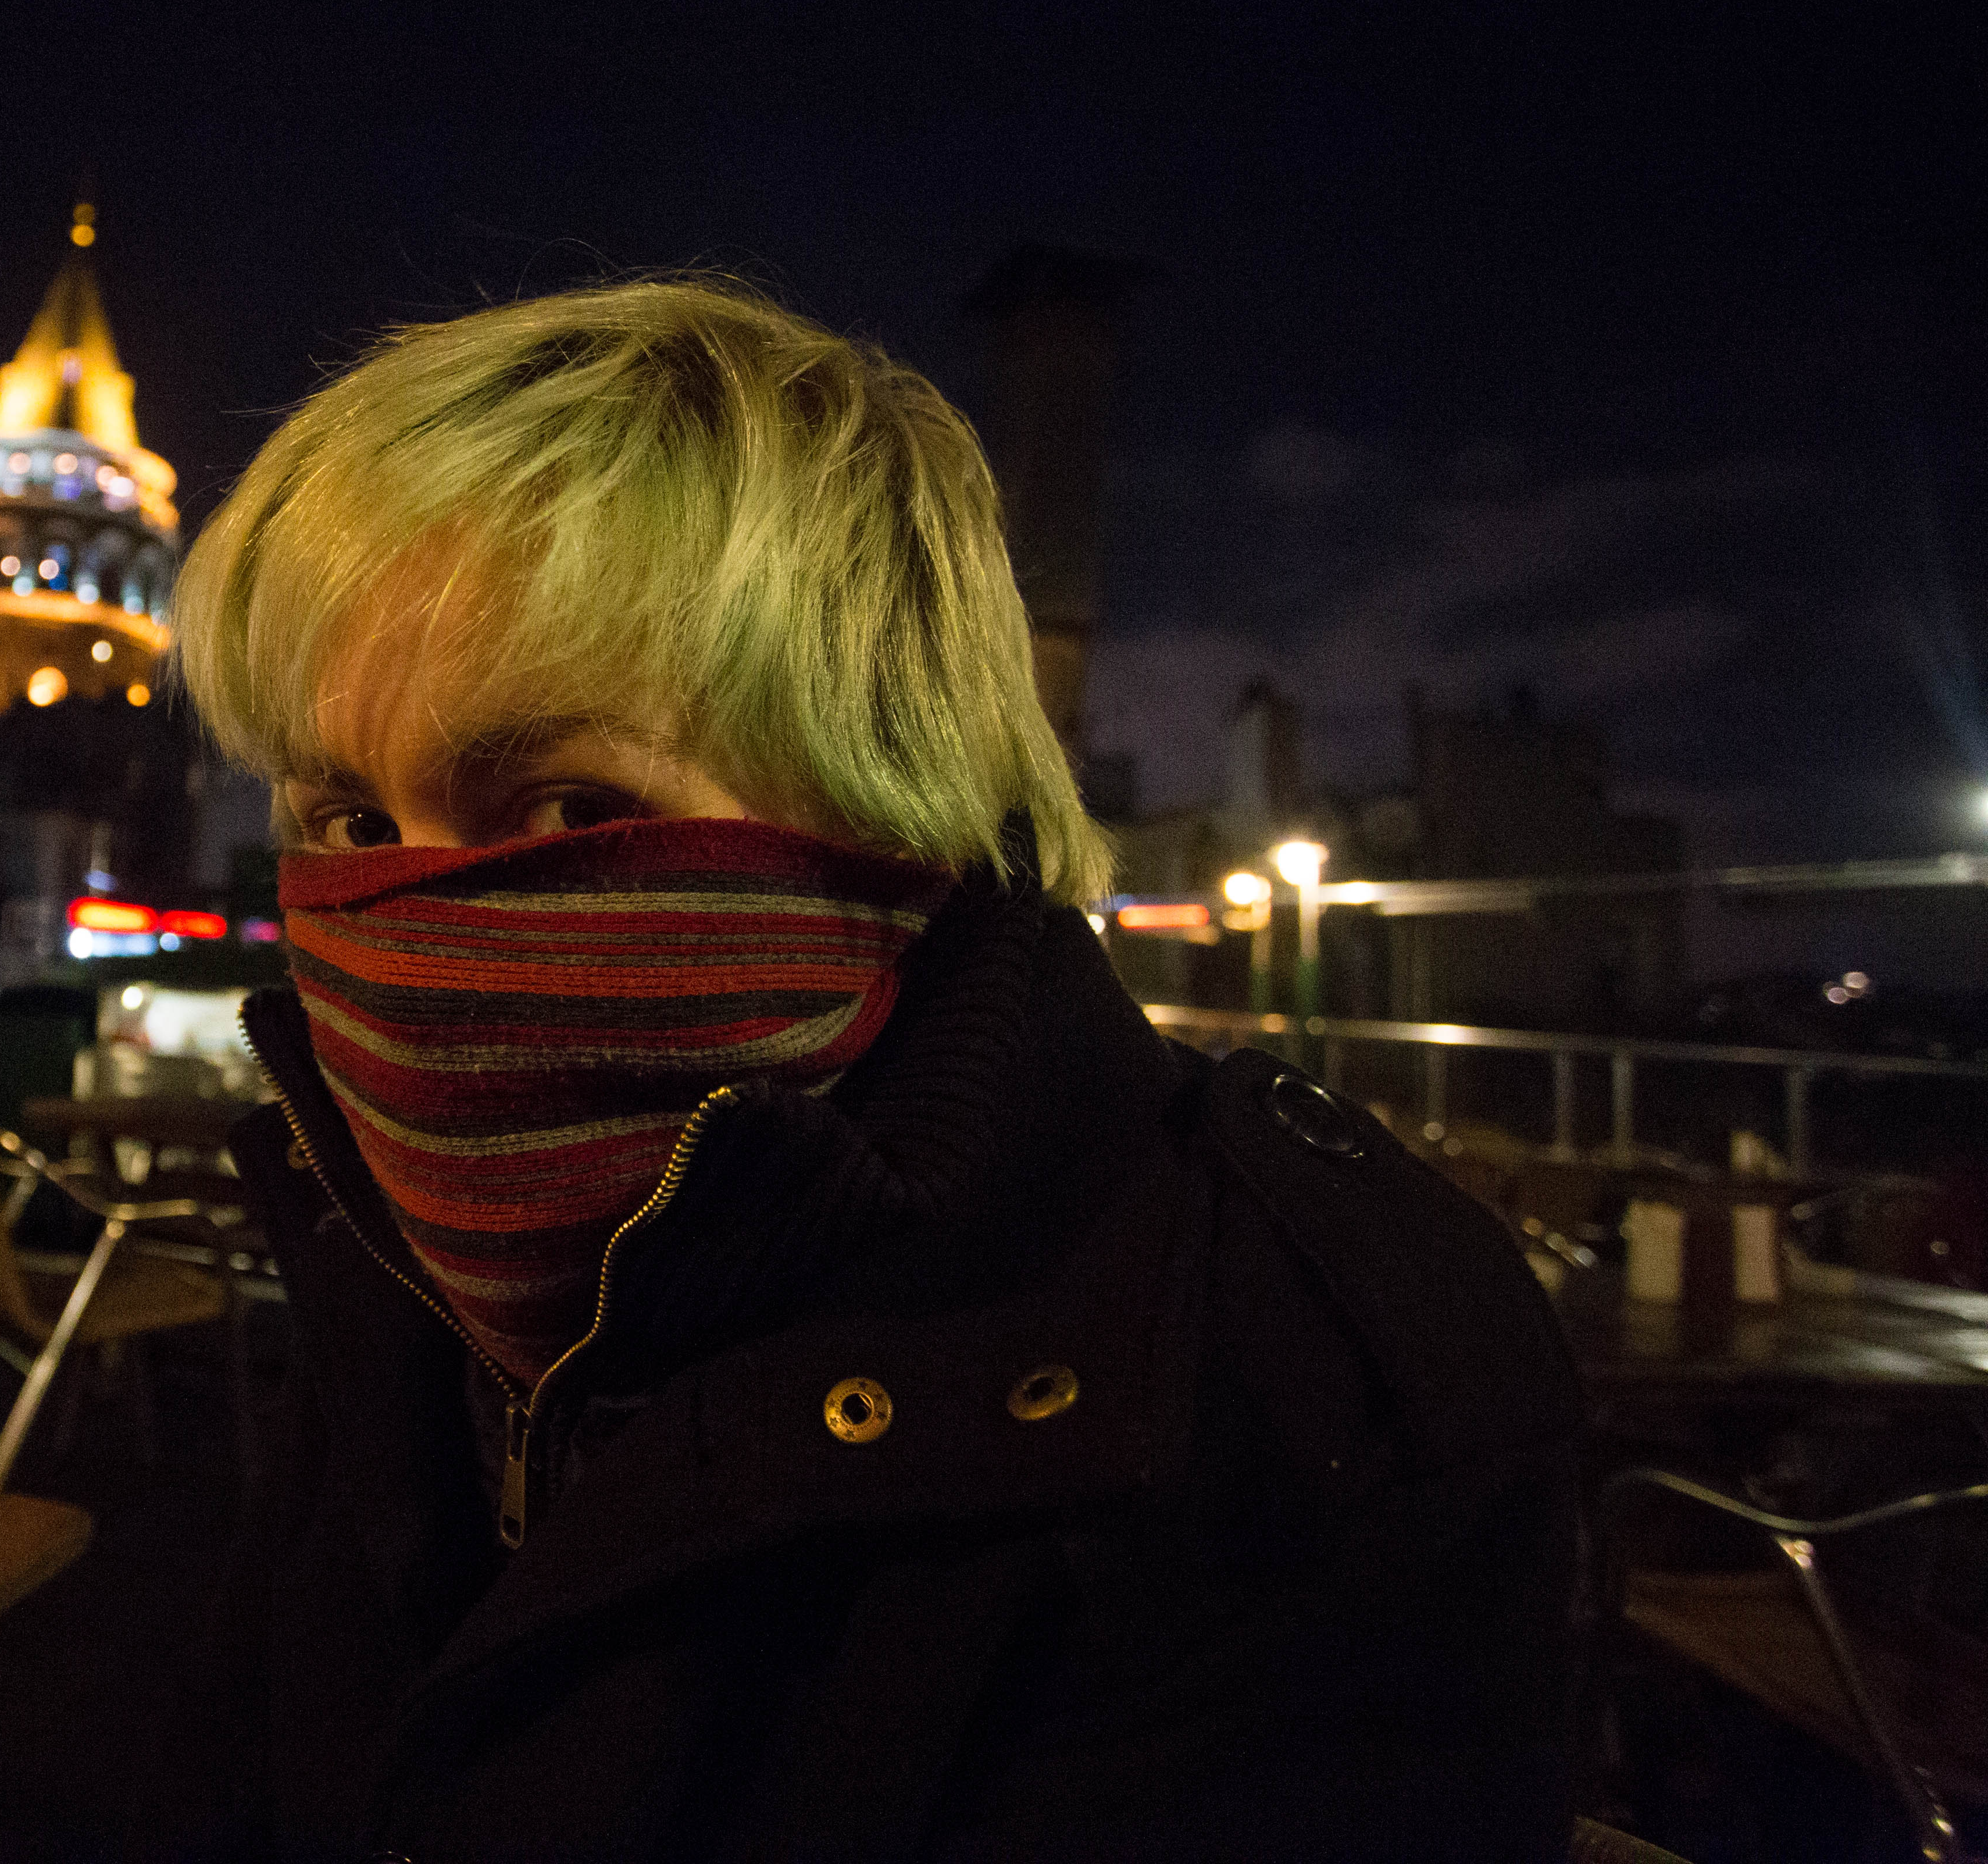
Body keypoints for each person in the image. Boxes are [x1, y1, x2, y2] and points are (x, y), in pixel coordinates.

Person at [166, 278, 1581, 1862]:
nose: (417, 916)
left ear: (890, 790)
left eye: (571, 810)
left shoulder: (1312, 1390)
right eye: (353, 822)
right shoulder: (376, 1237)